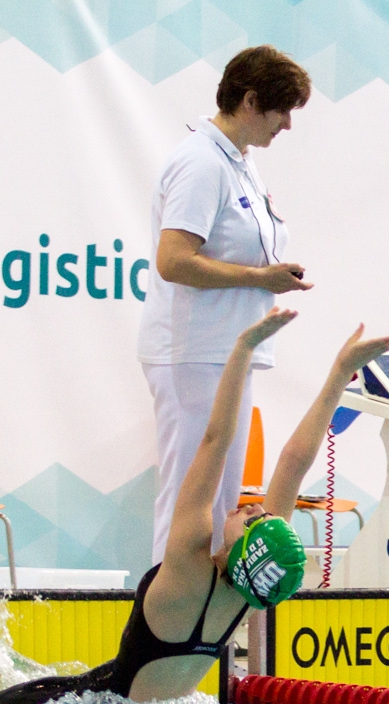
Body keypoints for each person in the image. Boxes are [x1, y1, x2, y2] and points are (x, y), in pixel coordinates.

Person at [0, 310, 389, 704]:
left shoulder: (187, 567)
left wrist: (243, 348)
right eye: (259, 511)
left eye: (252, 519)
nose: (252, 505)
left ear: (245, 549)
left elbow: (215, 442)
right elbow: (295, 464)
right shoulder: (246, 593)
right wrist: (340, 373)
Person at [137, 45, 315, 561]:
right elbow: (174, 260)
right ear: (250, 100)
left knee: (218, 507)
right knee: (188, 505)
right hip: (193, 354)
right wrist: (260, 277)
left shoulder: (238, 162)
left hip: (225, 356)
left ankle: (202, 633)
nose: (286, 125)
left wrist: (267, 279)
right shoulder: (200, 164)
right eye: (281, 110)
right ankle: (162, 635)